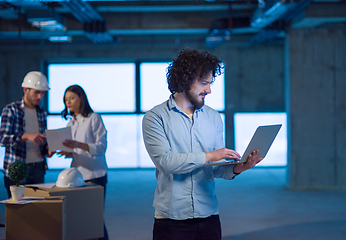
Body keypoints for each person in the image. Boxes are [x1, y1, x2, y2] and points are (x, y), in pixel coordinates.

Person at [142, 49, 263, 240]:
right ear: (184, 80)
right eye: (204, 83)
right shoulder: (155, 117)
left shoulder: (213, 117)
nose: (209, 90)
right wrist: (210, 155)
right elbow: (165, 162)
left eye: (210, 83)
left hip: (209, 216)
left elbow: (215, 169)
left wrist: (241, 167)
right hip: (172, 218)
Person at [58, 84, 108, 240]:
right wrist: (68, 152)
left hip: (94, 174)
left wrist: (77, 145)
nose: (69, 102)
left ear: (82, 98)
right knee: (81, 218)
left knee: (95, 217)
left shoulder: (94, 118)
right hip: (76, 176)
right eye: (66, 99)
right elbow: (76, 151)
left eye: (72, 98)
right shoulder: (70, 124)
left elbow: (101, 147)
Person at [0, 71, 54, 198]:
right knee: (18, 212)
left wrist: (48, 149)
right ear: (25, 90)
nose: (40, 96)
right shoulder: (11, 109)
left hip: (38, 167)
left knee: (37, 209)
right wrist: (25, 136)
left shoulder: (42, 112)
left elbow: (42, 140)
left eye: (42, 93)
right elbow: (3, 139)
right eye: (36, 92)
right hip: (17, 168)